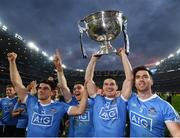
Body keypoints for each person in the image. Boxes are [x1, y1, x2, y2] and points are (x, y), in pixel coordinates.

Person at [7, 52, 88, 137]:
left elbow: (79, 110)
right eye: (40, 88)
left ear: (52, 93)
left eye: (45, 88)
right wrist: (12, 62)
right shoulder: (31, 101)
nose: (41, 90)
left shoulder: (60, 106)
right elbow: (16, 83)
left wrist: (85, 90)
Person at [85, 48, 133, 137]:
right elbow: (88, 80)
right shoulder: (97, 98)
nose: (109, 87)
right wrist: (93, 60)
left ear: (117, 87)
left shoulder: (121, 99)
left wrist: (123, 55)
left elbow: (129, 79)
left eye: (112, 84)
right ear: (103, 87)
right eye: (106, 84)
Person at [128, 66, 180, 137]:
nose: (141, 79)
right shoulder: (130, 99)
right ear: (134, 82)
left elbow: (177, 133)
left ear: (151, 81)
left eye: (145, 76)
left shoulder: (165, 107)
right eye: (138, 77)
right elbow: (128, 79)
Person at [53, 50, 94, 137]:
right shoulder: (72, 102)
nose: (75, 90)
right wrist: (59, 68)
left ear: (85, 89)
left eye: (79, 88)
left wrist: (93, 60)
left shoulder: (94, 102)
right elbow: (64, 86)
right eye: (74, 89)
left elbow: (89, 79)